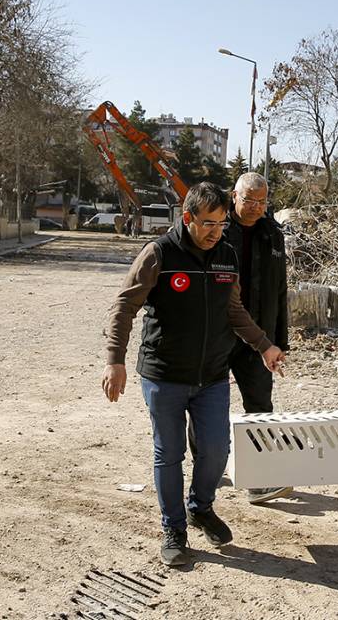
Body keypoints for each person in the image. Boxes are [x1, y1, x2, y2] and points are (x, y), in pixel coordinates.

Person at [101, 182, 285, 567]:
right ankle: (175, 529)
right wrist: (114, 360)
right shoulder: (159, 254)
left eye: (220, 224)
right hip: (164, 375)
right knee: (170, 454)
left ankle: (201, 507)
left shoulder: (226, 255)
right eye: (208, 224)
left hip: (212, 376)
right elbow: (123, 307)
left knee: (216, 449)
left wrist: (264, 345)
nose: (215, 231)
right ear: (188, 218)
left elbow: (234, 311)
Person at [223, 172, 292, 504]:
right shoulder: (216, 227)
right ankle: (208, 466)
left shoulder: (272, 234)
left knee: (260, 407)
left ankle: (259, 478)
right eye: (249, 200)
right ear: (234, 196)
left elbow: (280, 288)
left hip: (258, 336)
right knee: (209, 405)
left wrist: (279, 340)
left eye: (261, 202)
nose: (254, 208)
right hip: (219, 332)